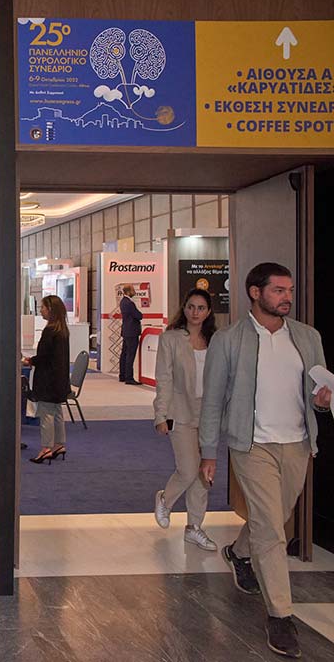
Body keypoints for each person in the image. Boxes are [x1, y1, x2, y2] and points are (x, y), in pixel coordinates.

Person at [199, 262, 331, 658]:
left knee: (274, 518)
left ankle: (239, 553)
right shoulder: (229, 340)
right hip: (252, 446)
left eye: (288, 290)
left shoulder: (307, 337)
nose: (287, 297)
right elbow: (212, 401)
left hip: (297, 444)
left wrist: (321, 402)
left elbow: (316, 394)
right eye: (278, 290)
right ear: (255, 293)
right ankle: (280, 616)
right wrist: (208, 452)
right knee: (272, 531)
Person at [152, 288, 217, 552]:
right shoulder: (170, 339)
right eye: (191, 307)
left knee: (204, 474)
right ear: (184, 308)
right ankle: (165, 500)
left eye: (201, 308)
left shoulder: (216, 340)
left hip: (209, 413)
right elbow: (164, 379)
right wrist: (160, 414)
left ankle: (194, 527)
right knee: (188, 469)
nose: (195, 312)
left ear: (208, 312)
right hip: (180, 412)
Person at [22, 295, 70, 464]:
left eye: (42, 307)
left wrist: (29, 361)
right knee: (57, 412)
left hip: (48, 380)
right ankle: (59, 444)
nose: (40, 310)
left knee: (46, 414)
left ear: (50, 309)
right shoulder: (62, 330)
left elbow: (44, 356)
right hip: (59, 379)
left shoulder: (50, 331)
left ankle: (46, 448)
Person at [119, 284, 143, 384]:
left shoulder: (123, 302)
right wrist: (140, 315)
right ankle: (129, 377)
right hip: (132, 332)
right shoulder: (129, 303)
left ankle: (122, 375)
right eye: (133, 290)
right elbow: (138, 315)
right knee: (130, 355)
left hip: (126, 331)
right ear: (128, 291)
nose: (134, 292)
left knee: (124, 354)